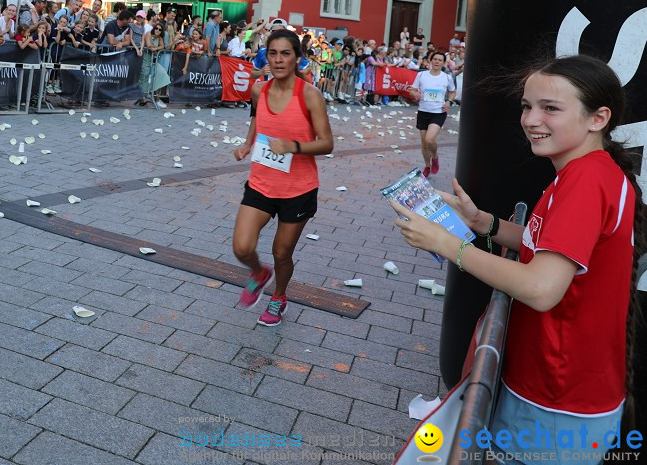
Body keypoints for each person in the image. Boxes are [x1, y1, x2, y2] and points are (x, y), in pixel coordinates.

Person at [392, 55, 644, 461]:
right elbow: (541, 243)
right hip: (569, 389)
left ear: (598, 118)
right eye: (527, 106)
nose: (530, 119)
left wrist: (446, 244)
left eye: (551, 108)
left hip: (556, 396)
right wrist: (481, 222)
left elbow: (541, 288)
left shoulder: (584, 180)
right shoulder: (591, 171)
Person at [231, 29, 334, 327]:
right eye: (273, 53)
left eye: (285, 53)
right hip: (261, 183)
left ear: (297, 58)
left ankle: (279, 297)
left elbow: (327, 143)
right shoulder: (258, 90)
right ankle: (258, 273)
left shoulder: (310, 95)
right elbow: (256, 118)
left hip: (297, 189)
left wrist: (293, 146)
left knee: (281, 253)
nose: (278, 60)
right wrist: (248, 143)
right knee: (241, 247)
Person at [409, 51, 456, 177]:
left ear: (443, 63)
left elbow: (452, 92)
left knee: (430, 139)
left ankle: (435, 157)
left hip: (438, 112)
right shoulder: (422, 75)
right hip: (423, 111)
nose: (437, 62)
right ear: (430, 60)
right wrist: (416, 94)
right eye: (435, 59)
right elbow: (412, 90)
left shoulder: (446, 77)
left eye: (440, 60)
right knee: (424, 144)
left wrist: (449, 102)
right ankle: (427, 166)